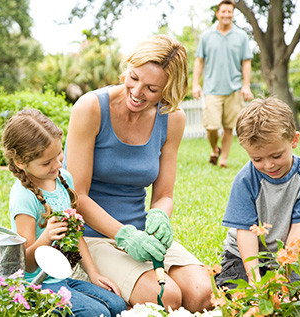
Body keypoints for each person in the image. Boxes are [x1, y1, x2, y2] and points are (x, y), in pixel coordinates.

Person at [63, 34, 212, 313]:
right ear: (127, 67)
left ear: (168, 90)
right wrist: (125, 236)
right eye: (133, 77)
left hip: (142, 236)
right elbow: (76, 196)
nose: (137, 91)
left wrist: (160, 216)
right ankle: (84, 277)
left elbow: (164, 194)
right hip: (92, 237)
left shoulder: (172, 119)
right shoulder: (91, 108)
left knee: (200, 293)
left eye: (152, 89)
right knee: (165, 298)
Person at [2, 108, 127, 317]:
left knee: (117, 306)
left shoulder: (63, 179)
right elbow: (25, 264)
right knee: (95, 313)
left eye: (59, 155)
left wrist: (94, 274)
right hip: (36, 286)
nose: (58, 164)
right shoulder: (24, 196)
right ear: (21, 162)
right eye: (47, 162)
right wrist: (47, 237)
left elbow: (75, 234)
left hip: (63, 279)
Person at [215, 97, 300, 289]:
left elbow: (298, 235)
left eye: (276, 155)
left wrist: (286, 275)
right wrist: (255, 280)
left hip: (289, 254)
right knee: (238, 293)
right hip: (244, 255)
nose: (268, 165)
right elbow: (246, 233)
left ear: (294, 140)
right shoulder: (245, 180)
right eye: (257, 159)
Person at [192, 0, 254, 168]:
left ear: (233, 14)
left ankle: (224, 160)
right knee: (211, 127)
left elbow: (246, 62)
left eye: (230, 12)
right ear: (217, 13)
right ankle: (214, 149)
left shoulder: (241, 36)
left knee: (229, 127)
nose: (227, 15)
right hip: (211, 89)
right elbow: (199, 61)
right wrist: (195, 84)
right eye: (224, 11)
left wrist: (246, 85)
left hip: (233, 89)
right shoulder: (207, 36)